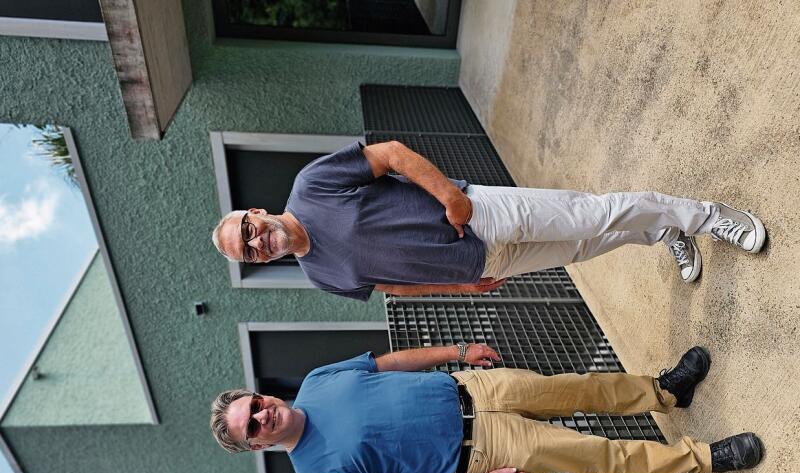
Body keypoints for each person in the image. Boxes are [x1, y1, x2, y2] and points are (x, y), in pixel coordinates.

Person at [209, 344, 763, 473]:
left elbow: (387, 363)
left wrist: (457, 352)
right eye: (252, 425)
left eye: (254, 403)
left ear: (261, 394)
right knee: (599, 455)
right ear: (255, 445)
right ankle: (704, 459)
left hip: (475, 389)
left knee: (581, 386)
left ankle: (665, 392)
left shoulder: (317, 380)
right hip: (482, 451)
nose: (263, 414)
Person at [211, 141, 766, 301]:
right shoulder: (318, 276)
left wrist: (452, 196)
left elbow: (393, 155)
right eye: (251, 252)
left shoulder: (311, 186)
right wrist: (461, 285)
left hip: (479, 214)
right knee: (581, 247)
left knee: (591, 213)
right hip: (480, 261)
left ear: (256, 213)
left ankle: (708, 216)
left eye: (249, 231)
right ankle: (664, 230)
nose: (258, 243)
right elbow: (392, 288)